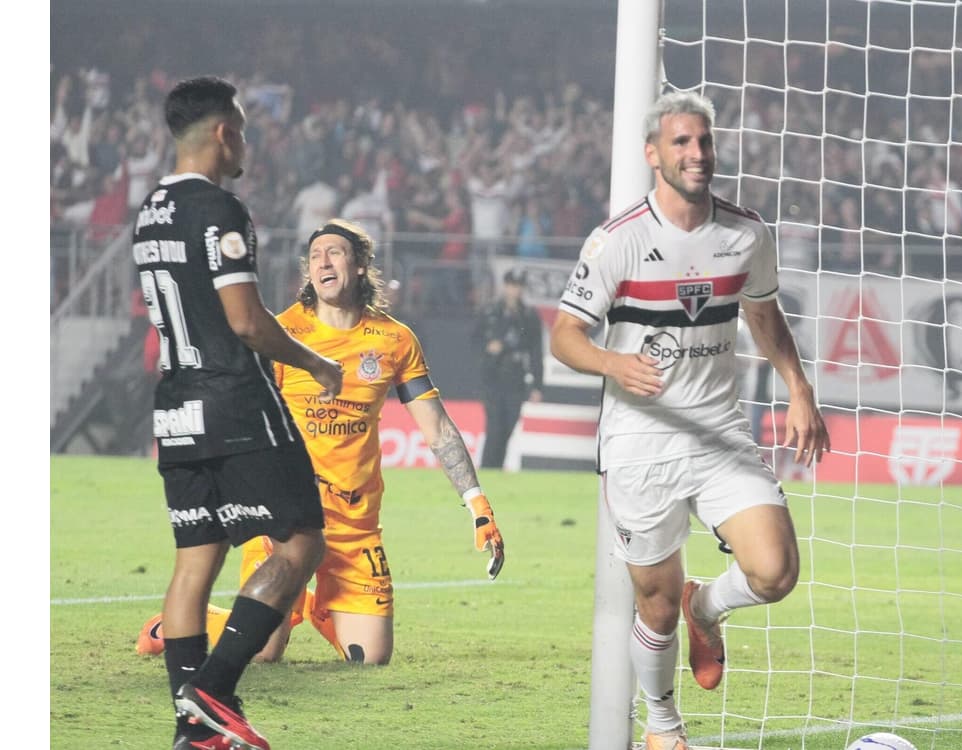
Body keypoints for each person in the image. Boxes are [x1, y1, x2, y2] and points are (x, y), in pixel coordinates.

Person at [549, 91, 831, 750]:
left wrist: (799, 387)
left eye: (703, 142)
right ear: (653, 154)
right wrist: (612, 366)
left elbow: (763, 314)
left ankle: (706, 606)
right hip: (639, 441)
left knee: (775, 570)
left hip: (719, 431)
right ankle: (663, 726)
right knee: (653, 600)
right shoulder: (617, 242)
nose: (697, 154)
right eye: (681, 143)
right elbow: (565, 336)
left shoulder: (745, 233)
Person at [138, 218, 505, 666]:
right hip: (287, 519)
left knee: (371, 659)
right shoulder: (281, 334)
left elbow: (438, 428)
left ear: (361, 264)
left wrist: (477, 503)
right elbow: (241, 416)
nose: (322, 262)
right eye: (314, 256)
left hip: (355, 525)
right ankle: (171, 627)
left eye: (334, 252)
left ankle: (308, 608)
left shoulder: (394, 340)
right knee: (262, 651)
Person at [134, 76, 343, 750]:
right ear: (224, 133)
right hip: (235, 403)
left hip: (176, 410)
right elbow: (247, 322)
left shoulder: (149, 211)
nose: (246, 141)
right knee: (302, 543)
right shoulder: (220, 210)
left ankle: (193, 732)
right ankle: (213, 689)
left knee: (195, 563)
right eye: (244, 129)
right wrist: (314, 361)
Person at [475, 268, 545, 469]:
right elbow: (474, 339)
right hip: (493, 375)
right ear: (505, 286)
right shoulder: (490, 311)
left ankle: (497, 467)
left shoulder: (529, 316)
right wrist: (487, 348)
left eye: (518, 286)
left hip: (516, 376)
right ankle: (488, 468)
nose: (515, 290)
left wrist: (537, 385)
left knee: (508, 426)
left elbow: (535, 352)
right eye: (512, 285)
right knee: (495, 426)